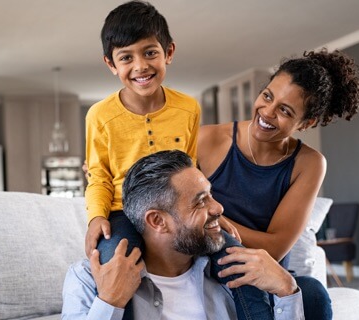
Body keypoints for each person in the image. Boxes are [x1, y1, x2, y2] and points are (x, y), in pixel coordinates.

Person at [83, 1, 272, 319]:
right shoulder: (99, 116)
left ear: (168, 51)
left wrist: (210, 214)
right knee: (115, 265)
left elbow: (191, 169)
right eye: (126, 57)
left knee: (237, 257)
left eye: (150, 52)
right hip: (121, 212)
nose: (140, 66)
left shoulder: (188, 108)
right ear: (111, 64)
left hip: (178, 211)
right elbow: (99, 175)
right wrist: (95, 217)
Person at [198, 49, 359, 319]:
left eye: (285, 111)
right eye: (267, 96)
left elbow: (275, 247)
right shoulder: (207, 139)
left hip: (268, 271)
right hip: (209, 262)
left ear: (307, 123)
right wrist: (212, 226)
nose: (267, 112)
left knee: (312, 293)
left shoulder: (309, 163)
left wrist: (215, 221)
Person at [62, 150, 304, 320]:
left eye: (211, 195)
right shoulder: (87, 280)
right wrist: (110, 302)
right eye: (200, 202)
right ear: (157, 221)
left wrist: (287, 290)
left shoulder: (235, 275)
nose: (218, 209)